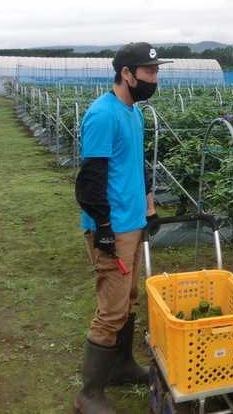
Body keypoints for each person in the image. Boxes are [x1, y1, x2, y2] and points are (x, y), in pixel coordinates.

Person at [74, 42, 168, 414]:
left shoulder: (134, 112)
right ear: (126, 73)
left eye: (156, 72)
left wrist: (148, 207)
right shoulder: (103, 114)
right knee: (111, 310)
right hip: (112, 225)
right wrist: (104, 229)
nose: (154, 79)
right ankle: (88, 394)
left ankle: (123, 367)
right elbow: (90, 181)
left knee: (127, 301)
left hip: (132, 220)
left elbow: (138, 163)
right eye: (149, 73)